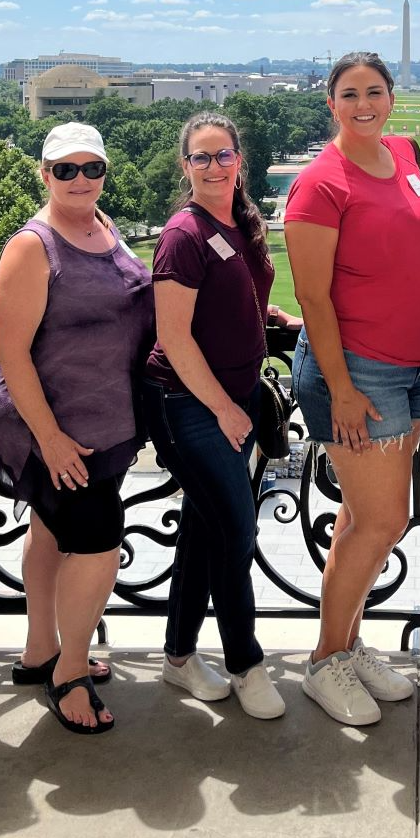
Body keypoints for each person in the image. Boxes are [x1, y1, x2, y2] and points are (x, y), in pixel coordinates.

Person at [285, 51, 420, 725]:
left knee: (360, 519)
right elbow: (313, 297)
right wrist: (344, 389)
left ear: (390, 96)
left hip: (413, 367)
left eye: (374, 91)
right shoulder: (320, 184)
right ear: (331, 103)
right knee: (385, 520)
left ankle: (347, 645)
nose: (364, 104)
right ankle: (326, 661)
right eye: (350, 93)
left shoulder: (405, 153)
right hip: (358, 369)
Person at [0, 124, 153, 736]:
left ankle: (38, 652)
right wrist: (49, 438)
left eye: (92, 168)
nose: (80, 180)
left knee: (50, 532)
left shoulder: (102, 225)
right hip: (55, 427)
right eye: (65, 170)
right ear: (43, 173)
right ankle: (69, 671)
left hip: (101, 418)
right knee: (100, 545)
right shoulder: (33, 246)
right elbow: (11, 351)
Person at [141, 111, 297, 721]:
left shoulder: (242, 219)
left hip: (229, 399)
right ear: (186, 166)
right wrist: (227, 409)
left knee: (205, 530)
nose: (212, 166)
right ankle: (245, 664)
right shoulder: (183, 233)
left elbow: (238, 294)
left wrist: (268, 315)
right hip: (189, 405)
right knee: (236, 533)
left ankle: (178, 656)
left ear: (240, 159)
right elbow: (174, 338)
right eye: (200, 158)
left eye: (222, 154)